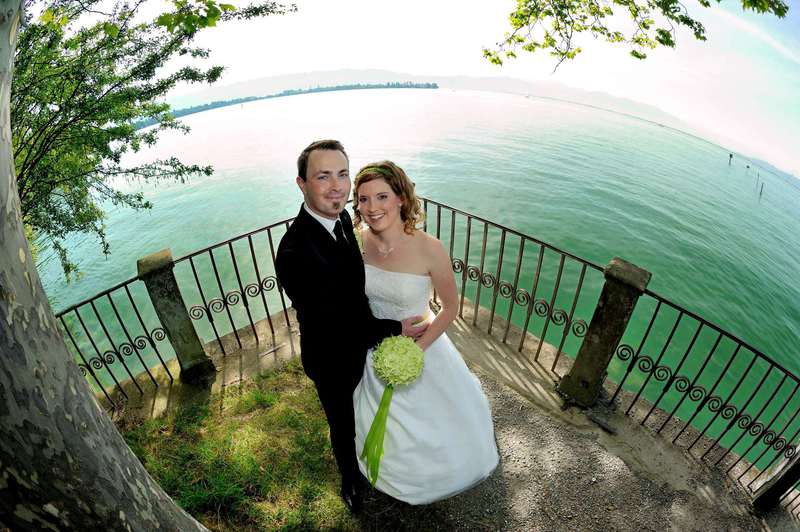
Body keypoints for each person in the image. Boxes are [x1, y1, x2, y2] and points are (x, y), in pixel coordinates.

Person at [275, 140, 427, 513]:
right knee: (342, 424)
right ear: (301, 184)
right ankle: (350, 481)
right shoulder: (294, 253)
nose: (336, 187)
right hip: (331, 359)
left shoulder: (342, 218)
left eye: (342, 175)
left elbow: (353, 292)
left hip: (363, 342)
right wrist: (395, 328)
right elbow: (335, 323)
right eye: (323, 176)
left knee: (368, 408)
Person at [352, 161, 499, 505]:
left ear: (401, 198)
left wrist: (417, 350)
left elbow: (450, 308)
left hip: (421, 344)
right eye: (363, 199)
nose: (372, 208)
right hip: (373, 343)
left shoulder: (430, 248)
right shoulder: (358, 242)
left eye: (382, 196)